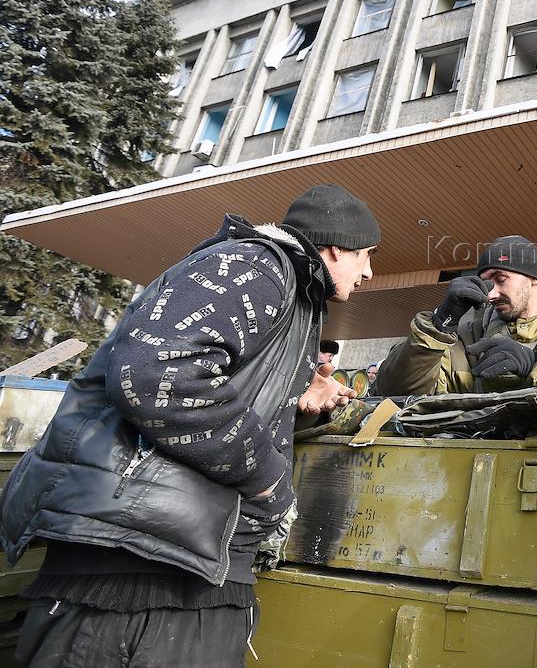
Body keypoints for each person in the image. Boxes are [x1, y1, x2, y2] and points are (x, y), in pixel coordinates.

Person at [1, 184, 380, 668]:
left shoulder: (290, 291)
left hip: (180, 563)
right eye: (367, 255)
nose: (369, 272)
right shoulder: (254, 266)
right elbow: (157, 377)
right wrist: (267, 479)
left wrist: (296, 398)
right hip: (137, 573)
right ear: (337, 248)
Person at [375, 235, 537, 395]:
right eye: (487, 283)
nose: (491, 294)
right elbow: (393, 391)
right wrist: (440, 324)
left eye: (501, 279)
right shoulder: (467, 338)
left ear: (532, 278)